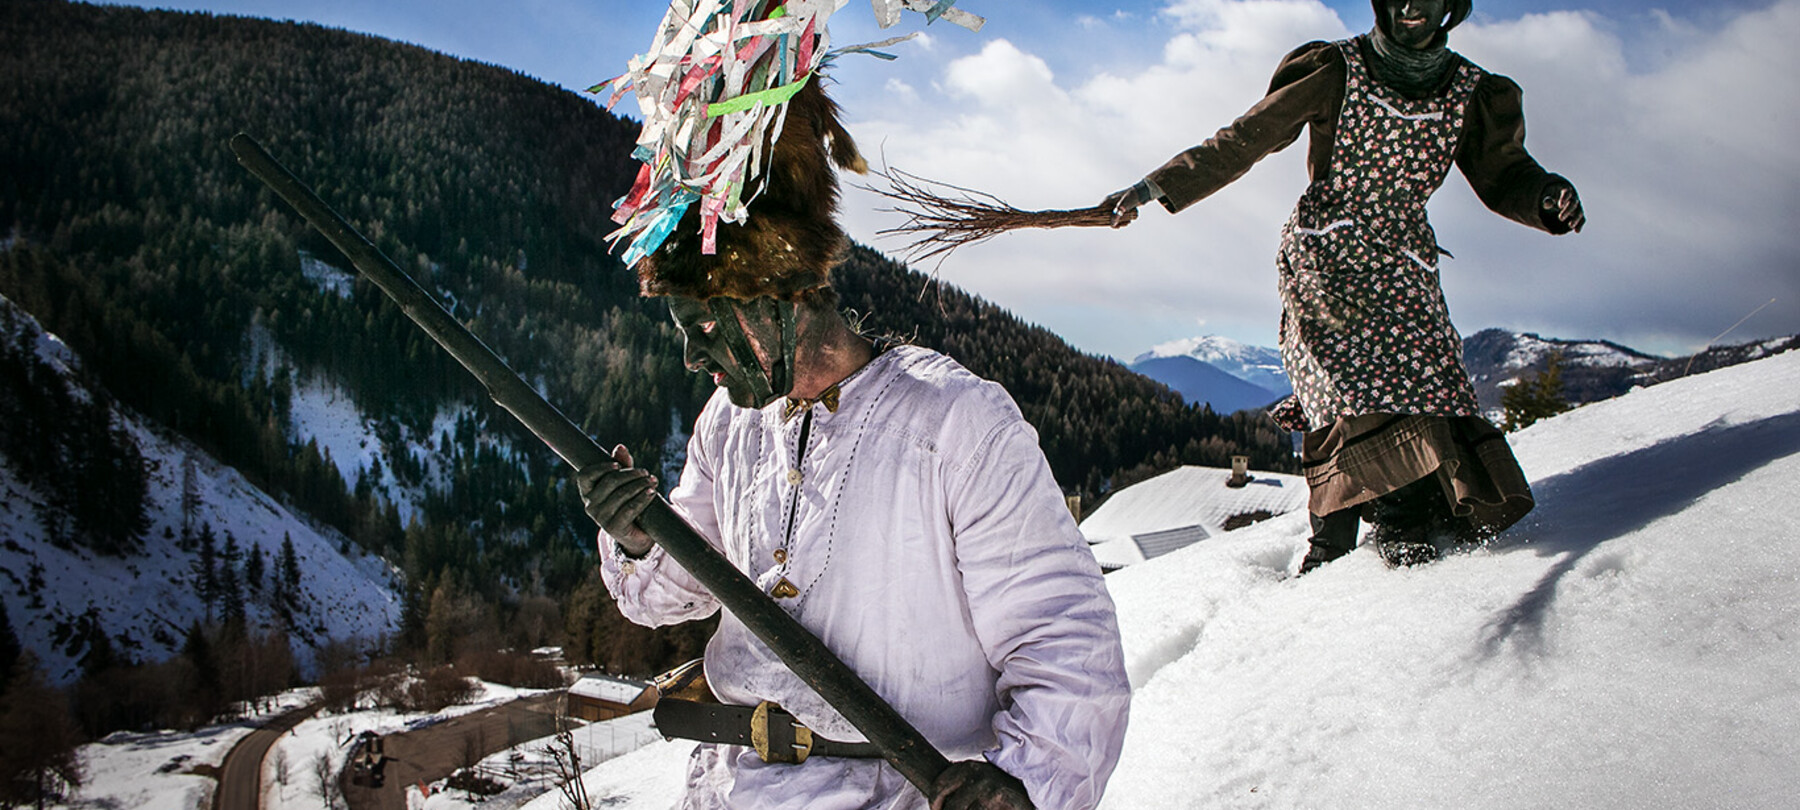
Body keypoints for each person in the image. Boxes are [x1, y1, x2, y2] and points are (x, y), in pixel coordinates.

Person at [578, 78, 1131, 810]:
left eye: (704, 326)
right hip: (732, 790)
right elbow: (675, 597)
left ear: (777, 293)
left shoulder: (956, 421)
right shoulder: (727, 424)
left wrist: (1026, 784)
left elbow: (1065, 641)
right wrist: (638, 536)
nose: (691, 357)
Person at [1104, 0, 1585, 574]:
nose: (1410, 5)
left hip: (1405, 258)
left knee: (1428, 379)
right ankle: (1349, 539)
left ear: (1450, 7)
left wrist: (1546, 197)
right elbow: (1245, 138)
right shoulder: (1335, 68)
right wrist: (1155, 186)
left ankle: (1424, 514)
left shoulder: (1472, 92)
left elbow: (1505, 173)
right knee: (1349, 384)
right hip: (1326, 255)